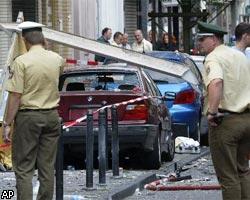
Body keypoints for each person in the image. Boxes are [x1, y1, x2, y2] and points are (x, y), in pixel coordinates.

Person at [2, 21, 65, 200]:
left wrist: (7, 123)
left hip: (28, 117)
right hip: (52, 115)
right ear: (43, 39)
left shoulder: (21, 62)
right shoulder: (57, 59)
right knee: (47, 167)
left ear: (24, 40)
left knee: (23, 168)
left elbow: (15, 96)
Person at [197, 20, 250, 200]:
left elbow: (216, 82)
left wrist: (212, 112)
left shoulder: (214, 57)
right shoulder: (239, 56)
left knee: (228, 177)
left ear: (213, 39)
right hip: (246, 118)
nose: (199, 44)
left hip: (225, 121)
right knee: (242, 171)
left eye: (202, 40)